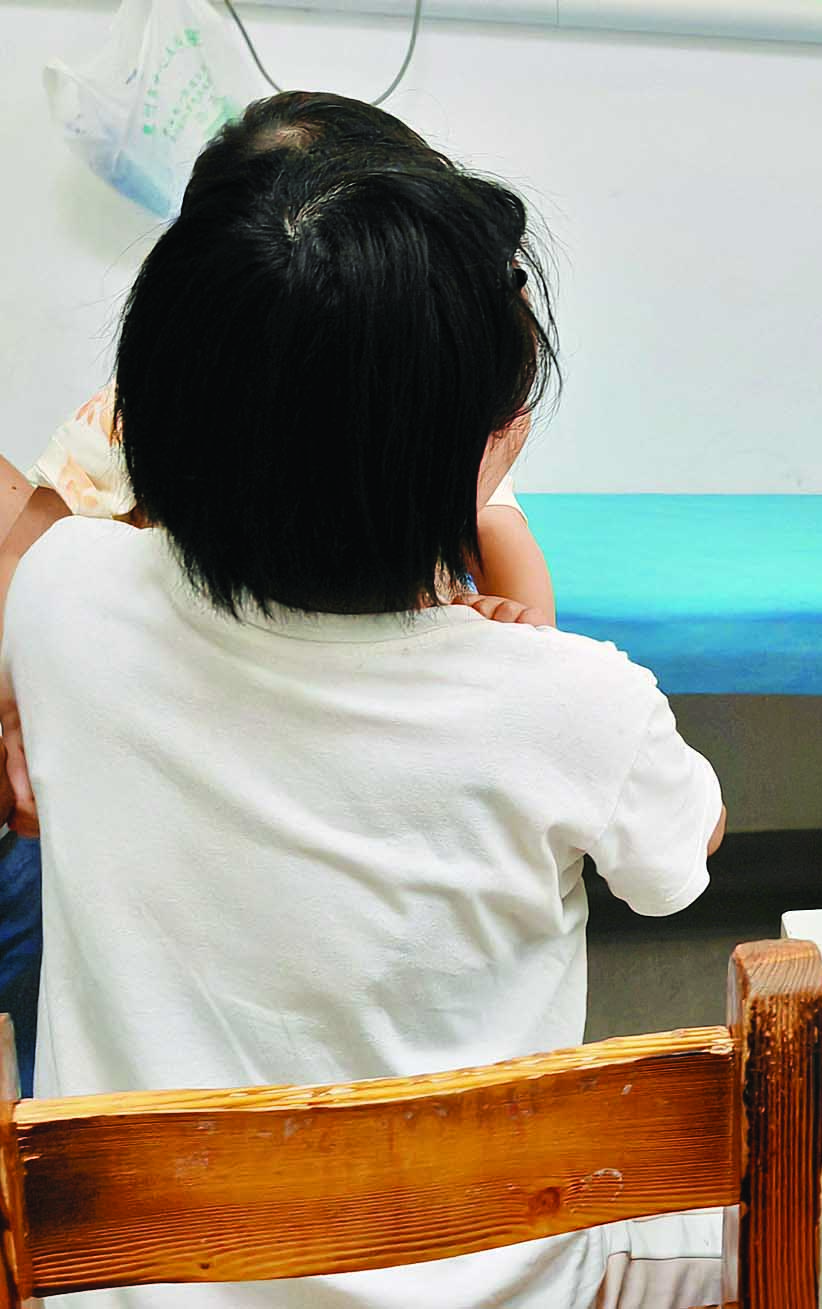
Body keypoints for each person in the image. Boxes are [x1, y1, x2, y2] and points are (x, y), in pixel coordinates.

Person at [1, 101, 724, 1308]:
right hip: (493, 1288)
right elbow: (678, 855)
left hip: (130, 1282)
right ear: (474, 455)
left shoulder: (64, 595)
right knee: (765, 1219)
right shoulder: (577, 704)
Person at [0, 92, 559, 1102]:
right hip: (161, 757)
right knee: (108, 988)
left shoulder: (412, 432)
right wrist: (18, 701)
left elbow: (518, 574)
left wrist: (510, 640)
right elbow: (30, 561)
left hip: (349, 767)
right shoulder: (134, 429)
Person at [25, 92, 558, 627]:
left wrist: (513, 629)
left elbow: (503, 544)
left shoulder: (429, 405)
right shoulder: (127, 423)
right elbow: (29, 560)